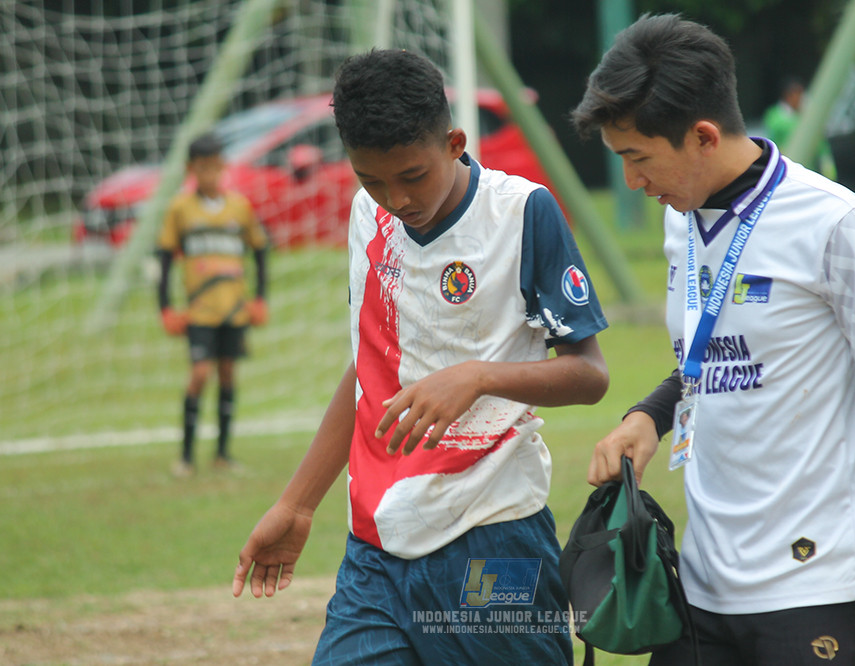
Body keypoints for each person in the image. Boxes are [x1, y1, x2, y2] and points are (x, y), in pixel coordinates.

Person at [571, 13, 855, 666]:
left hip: (821, 584)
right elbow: (714, 362)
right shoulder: (681, 222)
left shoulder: (836, 224)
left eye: (637, 157)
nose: (631, 181)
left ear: (703, 136)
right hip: (705, 586)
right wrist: (650, 418)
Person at [232, 48, 609, 665]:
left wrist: (479, 377)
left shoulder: (521, 213)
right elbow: (371, 368)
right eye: (372, 179)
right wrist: (297, 504)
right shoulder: (367, 215)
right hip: (376, 548)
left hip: (492, 533)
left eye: (412, 175)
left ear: (455, 142)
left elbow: (591, 375)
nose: (396, 198)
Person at [157, 133, 270, 477]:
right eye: (202, 168)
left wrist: (259, 299)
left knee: (227, 374)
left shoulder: (239, 207)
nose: (210, 175)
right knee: (199, 374)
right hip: (199, 311)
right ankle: (186, 457)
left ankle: (222, 454)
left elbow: (261, 251)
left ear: (222, 167)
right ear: (191, 169)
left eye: (215, 167)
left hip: (233, 310)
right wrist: (165, 308)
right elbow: (163, 261)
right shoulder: (180, 209)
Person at [763, 76, 837, 178]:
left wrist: (826, 160)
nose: (801, 98)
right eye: (798, 95)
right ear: (789, 96)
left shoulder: (807, 113)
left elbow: (820, 142)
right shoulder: (775, 116)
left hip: (809, 168)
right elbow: (774, 141)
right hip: (787, 169)